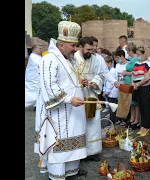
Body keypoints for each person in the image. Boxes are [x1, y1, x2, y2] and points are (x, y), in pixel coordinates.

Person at [34, 20, 87, 180]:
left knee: (71, 142)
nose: (75, 49)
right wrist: (70, 99)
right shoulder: (49, 59)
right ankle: (57, 175)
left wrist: (80, 83)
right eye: (73, 46)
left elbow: (68, 80)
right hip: (57, 114)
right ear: (62, 44)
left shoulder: (67, 59)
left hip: (71, 113)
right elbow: (49, 86)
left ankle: (70, 171)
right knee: (58, 145)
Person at [73, 36, 106, 162]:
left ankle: (92, 151)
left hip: (91, 94)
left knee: (93, 124)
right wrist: (80, 81)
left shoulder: (95, 59)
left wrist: (93, 82)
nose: (90, 52)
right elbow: (69, 76)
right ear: (81, 47)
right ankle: (80, 152)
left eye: (92, 49)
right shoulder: (73, 58)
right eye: (87, 49)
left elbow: (100, 75)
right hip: (79, 95)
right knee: (80, 124)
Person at [132, 46, 150, 136]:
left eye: (140, 54)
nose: (138, 56)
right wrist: (133, 83)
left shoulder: (147, 64)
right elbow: (132, 74)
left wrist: (138, 84)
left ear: (144, 54)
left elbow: (146, 77)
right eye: (137, 54)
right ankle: (142, 126)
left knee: (146, 108)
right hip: (137, 88)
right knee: (140, 107)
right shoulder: (136, 63)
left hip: (145, 87)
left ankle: (146, 127)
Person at [123, 43, 141, 129]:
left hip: (133, 83)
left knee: (135, 103)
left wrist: (126, 73)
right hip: (128, 83)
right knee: (132, 103)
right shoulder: (131, 59)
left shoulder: (136, 59)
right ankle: (132, 119)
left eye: (127, 51)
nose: (127, 53)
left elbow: (135, 72)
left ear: (130, 51)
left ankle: (136, 120)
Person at [102, 55, 118, 123]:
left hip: (112, 92)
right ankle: (111, 121)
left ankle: (113, 122)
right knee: (111, 108)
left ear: (109, 63)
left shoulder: (113, 71)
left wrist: (106, 92)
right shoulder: (109, 70)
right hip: (109, 92)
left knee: (112, 108)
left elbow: (111, 83)